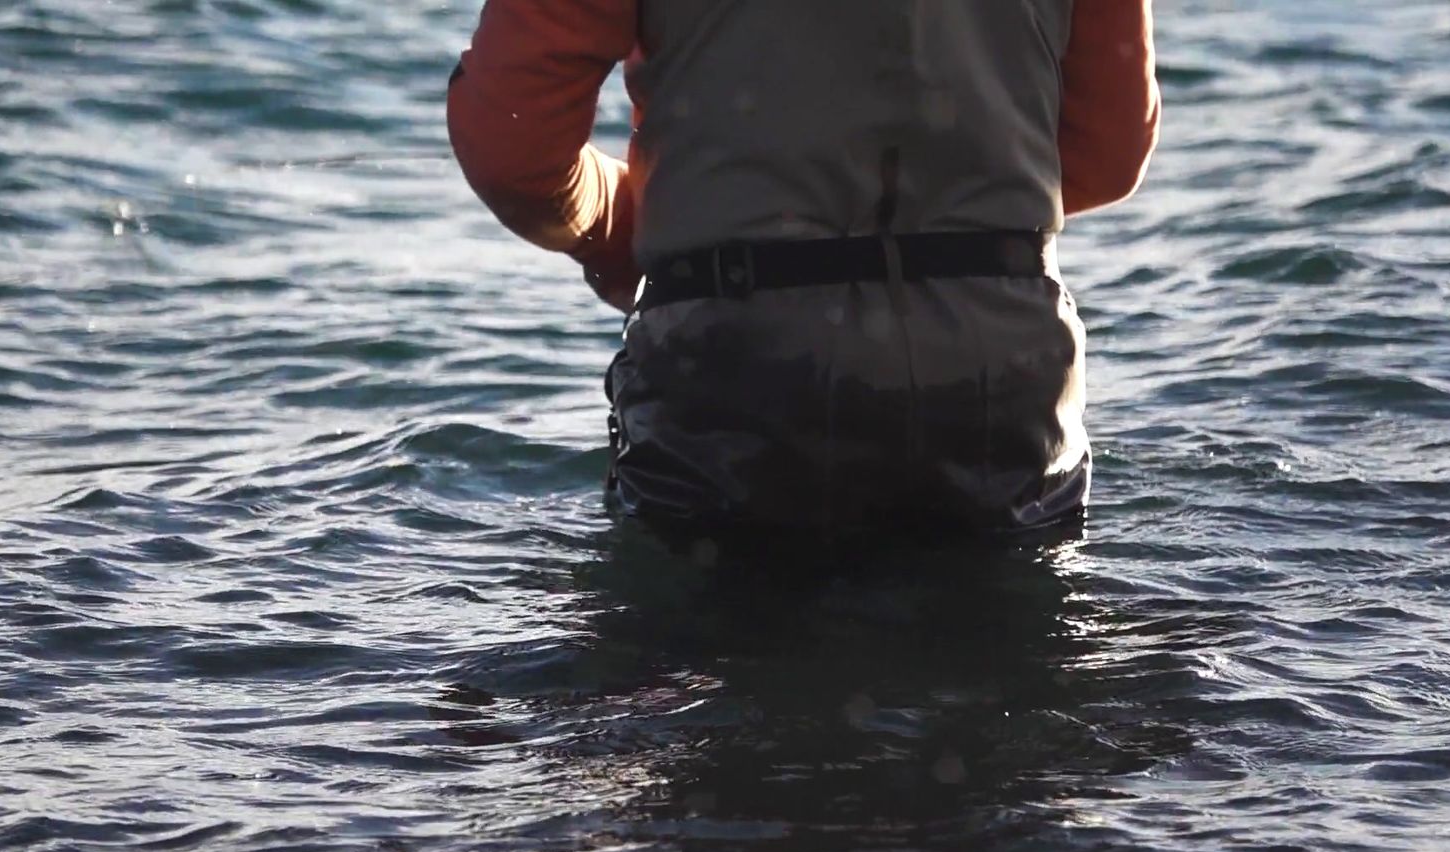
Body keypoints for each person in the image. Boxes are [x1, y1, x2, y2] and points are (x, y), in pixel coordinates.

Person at [448, 1, 1159, 534]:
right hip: (1001, 364)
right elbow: (1108, 149)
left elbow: (512, 146)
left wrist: (627, 229)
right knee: (1011, 699)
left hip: (743, 359)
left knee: (706, 699)